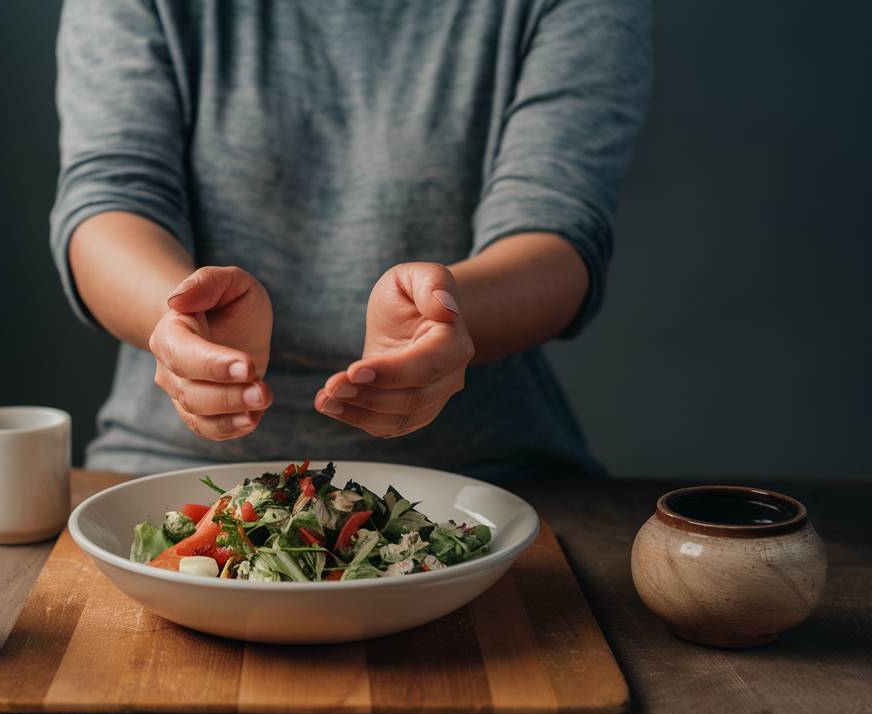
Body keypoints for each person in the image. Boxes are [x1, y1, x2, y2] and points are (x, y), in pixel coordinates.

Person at [50, 0, 652, 480]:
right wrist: (181, 315)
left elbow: (559, 233)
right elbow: (111, 200)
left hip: (489, 480)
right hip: (168, 470)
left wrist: (442, 314)